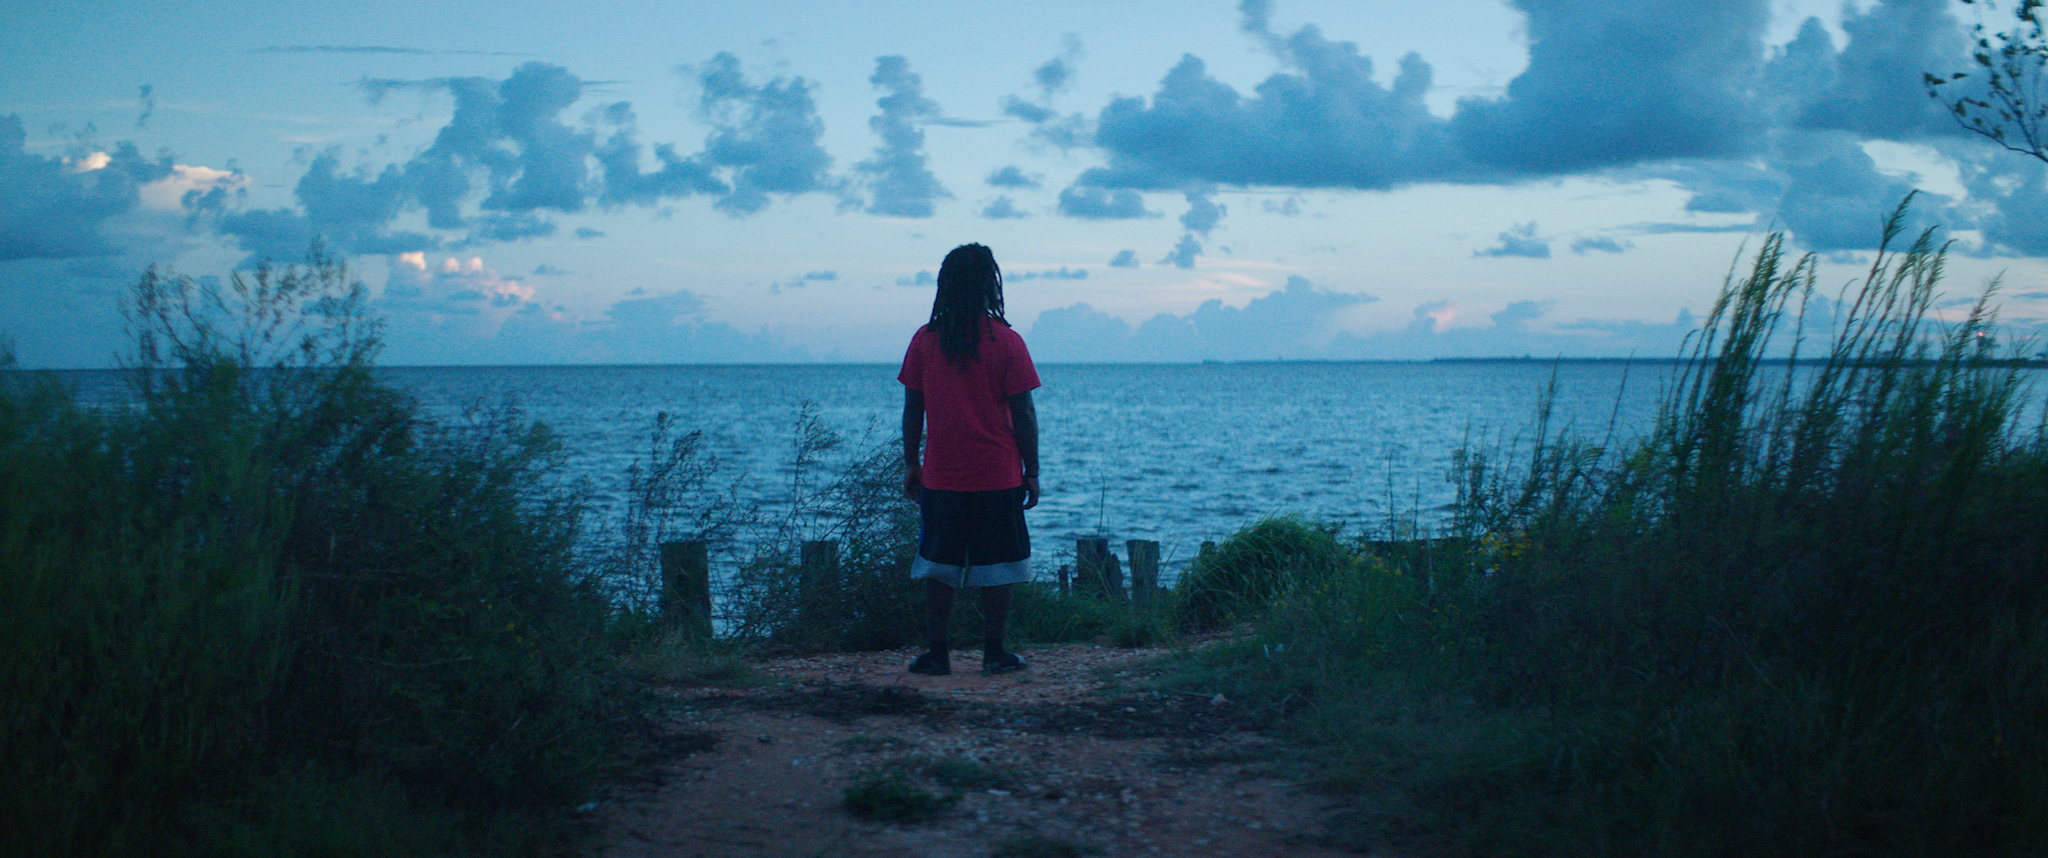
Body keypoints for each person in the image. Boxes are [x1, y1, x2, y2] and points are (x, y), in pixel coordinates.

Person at [897, 243, 1041, 676]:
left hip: (942, 477)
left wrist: (910, 462)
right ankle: (994, 654)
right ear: (989, 285)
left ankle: (937, 654)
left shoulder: (925, 340)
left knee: (938, 567)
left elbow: (912, 409)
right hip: (998, 475)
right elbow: (1025, 414)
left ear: (945, 285)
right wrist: (1031, 472)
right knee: (997, 567)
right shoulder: (1008, 341)